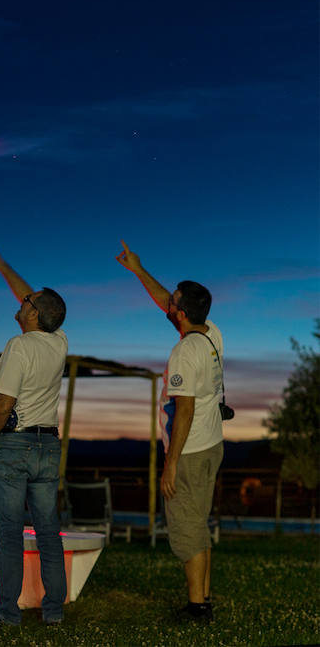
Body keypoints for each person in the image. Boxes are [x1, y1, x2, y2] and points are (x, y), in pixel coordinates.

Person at [116, 240, 224, 623]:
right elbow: (168, 301)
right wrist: (138, 270)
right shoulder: (211, 334)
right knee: (199, 524)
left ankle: (197, 609)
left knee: (187, 530)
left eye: (173, 303)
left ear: (180, 314)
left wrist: (171, 464)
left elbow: (185, 408)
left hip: (190, 451)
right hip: (212, 445)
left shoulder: (183, 353)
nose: (168, 304)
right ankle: (204, 599)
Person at [0, 238, 68, 627]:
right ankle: (54, 614)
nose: (22, 301)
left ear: (33, 316)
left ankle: (8, 615)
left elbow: (3, 404)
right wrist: (0, 264)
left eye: (28, 303)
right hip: (48, 444)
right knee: (48, 532)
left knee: (10, 534)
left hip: (14, 444)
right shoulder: (60, 342)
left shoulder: (19, 346)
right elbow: (31, 294)